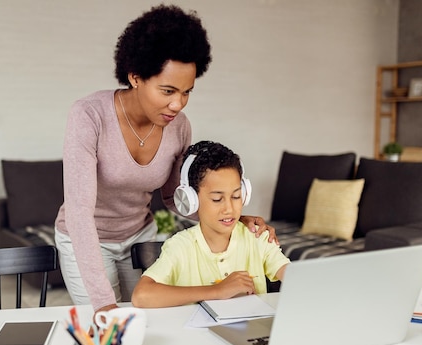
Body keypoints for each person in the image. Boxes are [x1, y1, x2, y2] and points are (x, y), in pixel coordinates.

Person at [54, 4, 277, 314]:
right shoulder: (89, 115)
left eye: (187, 92)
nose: (177, 104)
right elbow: (79, 212)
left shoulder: (179, 126)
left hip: (140, 236)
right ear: (134, 77)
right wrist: (104, 305)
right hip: (88, 239)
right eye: (168, 90)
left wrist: (233, 218)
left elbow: (176, 199)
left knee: (152, 319)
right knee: (114, 326)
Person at [131, 141, 289, 308]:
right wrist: (217, 290)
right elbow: (141, 296)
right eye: (217, 199)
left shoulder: (257, 237)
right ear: (191, 200)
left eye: (236, 196)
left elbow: (297, 279)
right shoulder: (180, 246)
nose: (229, 208)